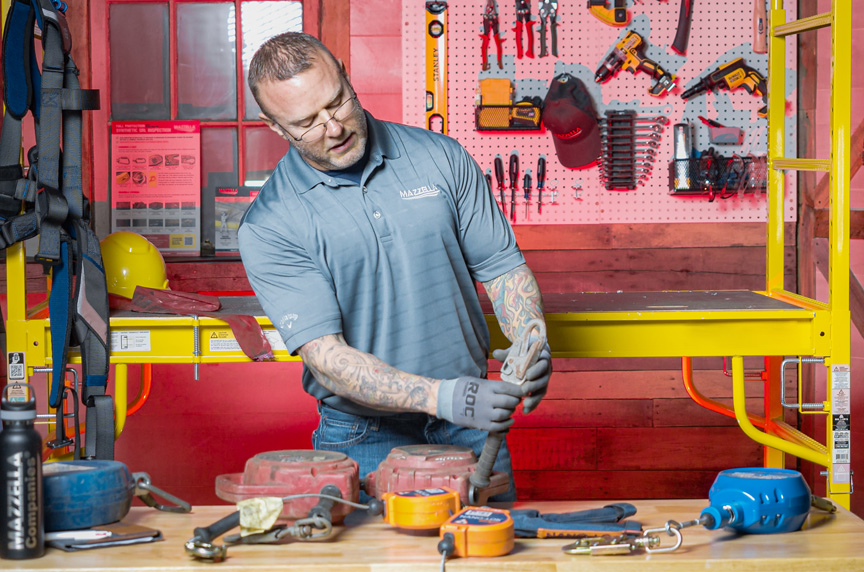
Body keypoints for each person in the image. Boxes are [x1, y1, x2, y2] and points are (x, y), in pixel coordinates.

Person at [238, 32, 551, 501]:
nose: (334, 127)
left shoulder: (440, 158)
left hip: (471, 428)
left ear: (345, 74)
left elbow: (502, 269)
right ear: (275, 126)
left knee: (487, 550)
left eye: (337, 102)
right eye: (306, 122)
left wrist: (532, 338)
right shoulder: (270, 224)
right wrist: (443, 397)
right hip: (364, 438)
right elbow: (327, 359)